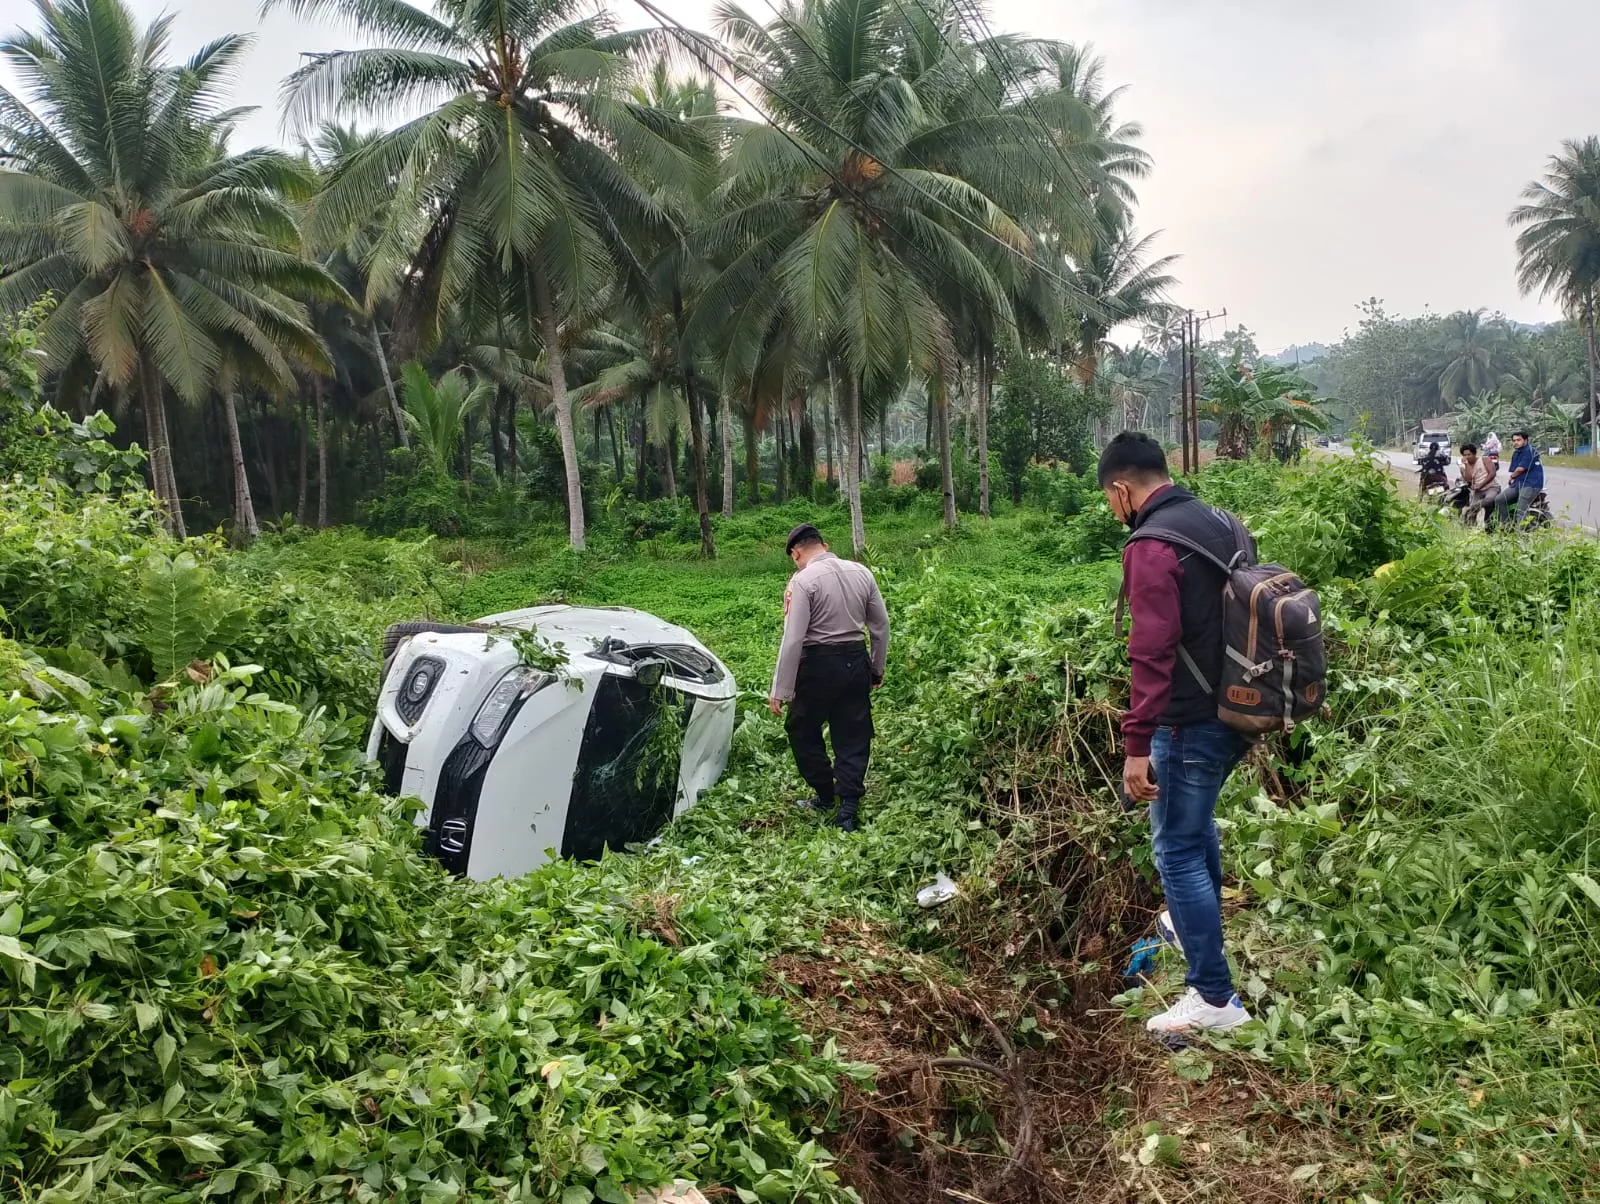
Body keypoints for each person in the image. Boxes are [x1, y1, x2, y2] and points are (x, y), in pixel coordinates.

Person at [1101, 432, 1254, 1035]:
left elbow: (1152, 651)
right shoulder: (1221, 522)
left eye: (1110, 502)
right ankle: (1196, 922)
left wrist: (1136, 744)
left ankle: (1214, 998)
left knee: (1177, 849)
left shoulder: (1152, 545)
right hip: (1242, 707)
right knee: (1196, 829)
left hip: (1188, 723)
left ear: (1121, 491)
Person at [768, 524, 889, 833]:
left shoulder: (803, 580)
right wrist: (876, 668)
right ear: (825, 544)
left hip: (818, 665)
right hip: (854, 659)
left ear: (796, 553)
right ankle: (848, 807)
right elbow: (880, 626)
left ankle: (824, 793)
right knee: (853, 733)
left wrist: (781, 688)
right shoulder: (862, 572)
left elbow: (793, 638)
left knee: (802, 729)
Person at [1494, 431, 1544, 530]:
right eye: (1514, 440)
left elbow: (1521, 469)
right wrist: (1513, 478)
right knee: (1500, 499)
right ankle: (1506, 525)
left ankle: (1521, 536)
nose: (1516, 442)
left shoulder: (1529, 451)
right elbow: (1515, 470)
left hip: (1530, 484)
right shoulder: (1517, 453)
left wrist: (1512, 477)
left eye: (1518, 440)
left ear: (1525, 440)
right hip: (1518, 484)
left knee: (1521, 511)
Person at [1456, 443, 1499, 526]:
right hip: (1477, 491)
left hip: (1491, 487)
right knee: (1471, 514)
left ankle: (1475, 511)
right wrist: (1466, 465)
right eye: (1465, 455)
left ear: (1474, 453)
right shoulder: (1465, 465)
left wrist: (1481, 485)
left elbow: (1492, 473)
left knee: (1489, 500)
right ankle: (1469, 530)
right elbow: (1468, 479)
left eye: (1469, 454)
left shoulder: (1484, 460)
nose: (1467, 457)